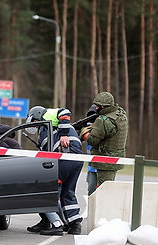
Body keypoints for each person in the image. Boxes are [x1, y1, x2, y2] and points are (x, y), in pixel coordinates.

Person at [25, 106, 84, 235]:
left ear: (37, 116)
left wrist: (63, 135)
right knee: (67, 192)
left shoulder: (50, 117)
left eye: (34, 122)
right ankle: (74, 224)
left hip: (65, 159)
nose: (34, 126)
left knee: (49, 190)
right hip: (76, 160)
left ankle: (56, 224)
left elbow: (65, 112)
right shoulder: (47, 129)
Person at [80, 92, 128, 187]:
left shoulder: (103, 120)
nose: (96, 108)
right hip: (115, 157)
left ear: (103, 107)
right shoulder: (120, 114)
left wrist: (84, 133)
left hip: (105, 161)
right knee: (106, 188)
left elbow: (92, 141)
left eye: (97, 106)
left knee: (102, 190)